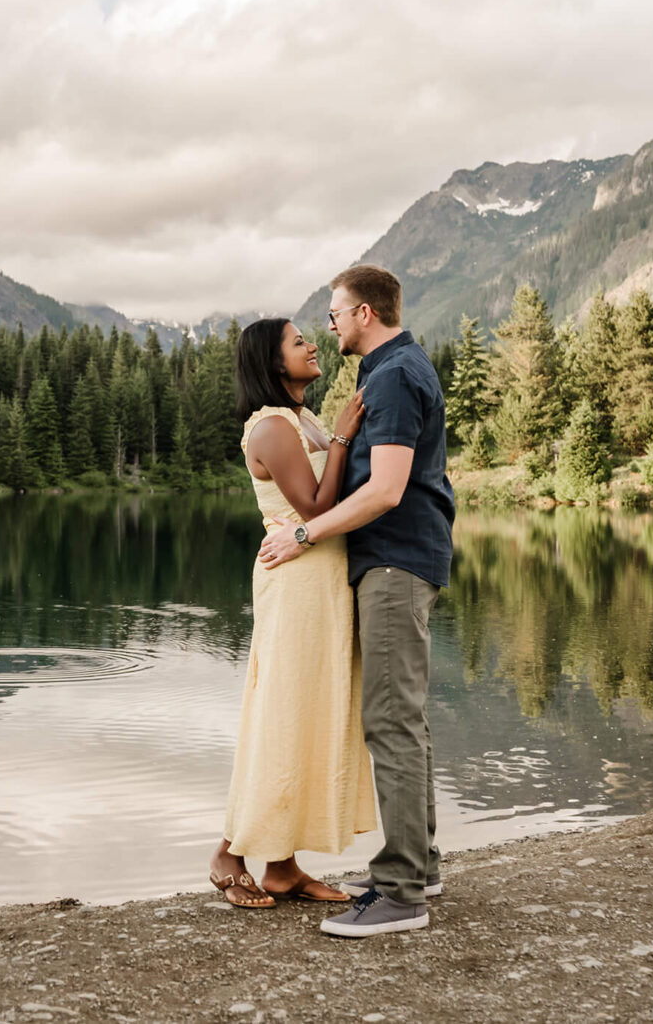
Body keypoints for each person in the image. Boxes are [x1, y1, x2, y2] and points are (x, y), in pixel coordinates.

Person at [258, 264, 455, 939]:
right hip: (397, 559)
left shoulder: (395, 375)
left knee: (391, 720)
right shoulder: (389, 371)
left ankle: (401, 893)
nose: (331, 325)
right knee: (406, 718)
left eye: (337, 312)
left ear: (366, 313)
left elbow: (388, 488)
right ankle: (418, 864)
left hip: (397, 560)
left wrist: (303, 532)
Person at [210, 318, 377, 909]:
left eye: (311, 335)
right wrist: (341, 439)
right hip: (297, 581)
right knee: (283, 710)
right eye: (297, 340)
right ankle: (228, 852)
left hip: (322, 579)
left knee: (302, 711)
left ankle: (281, 867)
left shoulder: (296, 419)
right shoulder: (273, 428)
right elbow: (315, 505)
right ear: (273, 362)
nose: (311, 344)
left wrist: (335, 437)